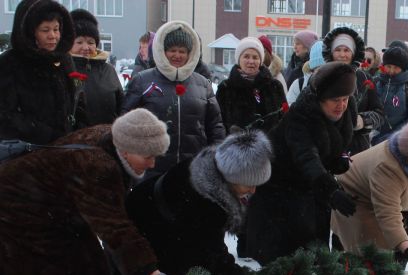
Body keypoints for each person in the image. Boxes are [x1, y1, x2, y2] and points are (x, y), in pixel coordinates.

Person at [0, 109, 189, 275]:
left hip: (58, 205)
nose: (152, 165)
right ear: (126, 151)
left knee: (93, 269)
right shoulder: (98, 165)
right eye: (147, 157)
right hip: (19, 209)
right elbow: (115, 229)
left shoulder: (113, 136)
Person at [125, 130, 272, 275]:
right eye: (249, 184)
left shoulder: (211, 171)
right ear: (232, 176)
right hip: (144, 227)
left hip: (163, 222)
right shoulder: (205, 199)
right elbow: (212, 249)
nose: (253, 191)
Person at [245, 62, 358, 265]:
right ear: (320, 98)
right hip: (279, 187)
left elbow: (334, 142)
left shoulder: (345, 111)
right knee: (288, 256)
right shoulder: (300, 117)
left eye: (345, 99)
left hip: (311, 186)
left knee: (317, 250)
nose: (342, 105)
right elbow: (307, 157)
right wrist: (332, 190)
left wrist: (338, 158)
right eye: (335, 99)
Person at [331, 122, 408, 275]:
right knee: (368, 251)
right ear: (406, 154)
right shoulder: (387, 168)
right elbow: (388, 214)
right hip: (353, 196)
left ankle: (393, 272)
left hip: (376, 192)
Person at [122, 20, 225, 174]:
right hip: (152, 167)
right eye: (172, 50)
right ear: (162, 51)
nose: (177, 55)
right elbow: (126, 122)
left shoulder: (203, 84)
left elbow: (215, 126)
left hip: (192, 168)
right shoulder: (142, 81)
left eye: (182, 51)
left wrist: (215, 158)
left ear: (190, 54)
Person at [0, 0, 80, 144]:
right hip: (26, 151)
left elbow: (78, 99)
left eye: (56, 29)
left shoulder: (64, 59)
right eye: (45, 30)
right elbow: (6, 114)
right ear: (30, 32)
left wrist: (80, 133)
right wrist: (46, 135)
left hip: (65, 147)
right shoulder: (9, 63)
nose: (53, 36)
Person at [322, 26, 384, 154]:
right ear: (331, 52)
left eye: (346, 50)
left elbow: (380, 114)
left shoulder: (364, 78)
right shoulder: (320, 77)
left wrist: (362, 121)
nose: (342, 55)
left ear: (353, 53)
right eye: (338, 50)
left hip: (357, 148)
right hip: (327, 145)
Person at [216, 36, 287, 134]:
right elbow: (218, 123)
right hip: (235, 147)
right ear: (239, 59)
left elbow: (285, 116)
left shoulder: (275, 86)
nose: (251, 61)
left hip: (270, 147)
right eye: (246, 56)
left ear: (260, 61)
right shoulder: (225, 88)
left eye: (255, 57)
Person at [69, 9, 123, 126]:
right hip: (72, 141)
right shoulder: (63, 69)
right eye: (79, 42)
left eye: (91, 42)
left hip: (107, 139)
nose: (86, 47)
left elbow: (121, 106)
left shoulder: (108, 70)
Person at [372, 46, 408, 145]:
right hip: (374, 139)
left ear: (403, 68)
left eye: (396, 68)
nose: (391, 71)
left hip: (399, 141)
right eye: (389, 66)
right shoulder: (377, 83)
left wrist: (394, 136)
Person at [286, 41, 324, 105]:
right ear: (313, 68)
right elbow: (288, 110)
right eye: (319, 67)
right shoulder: (298, 84)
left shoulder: (338, 84)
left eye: (328, 67)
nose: (324, 71)